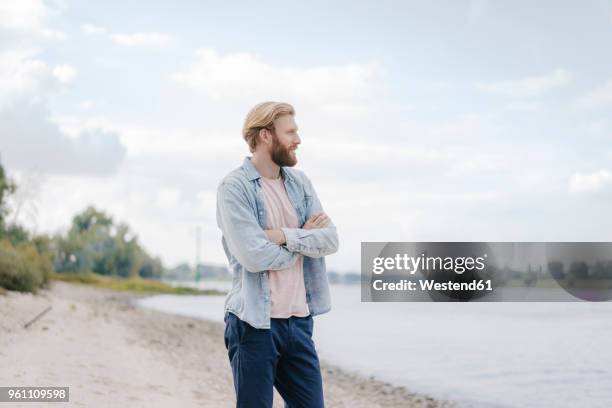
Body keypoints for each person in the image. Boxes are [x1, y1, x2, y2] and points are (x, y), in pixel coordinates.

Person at [216, 101, 339, 407]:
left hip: (298, 323)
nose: (298, 140)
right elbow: (254, 256)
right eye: (291, 132)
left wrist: (282, 236)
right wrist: (303, 240)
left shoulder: (300, 183)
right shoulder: (234, 187)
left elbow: (330, 240)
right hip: (254, 324)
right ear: (266, 135)